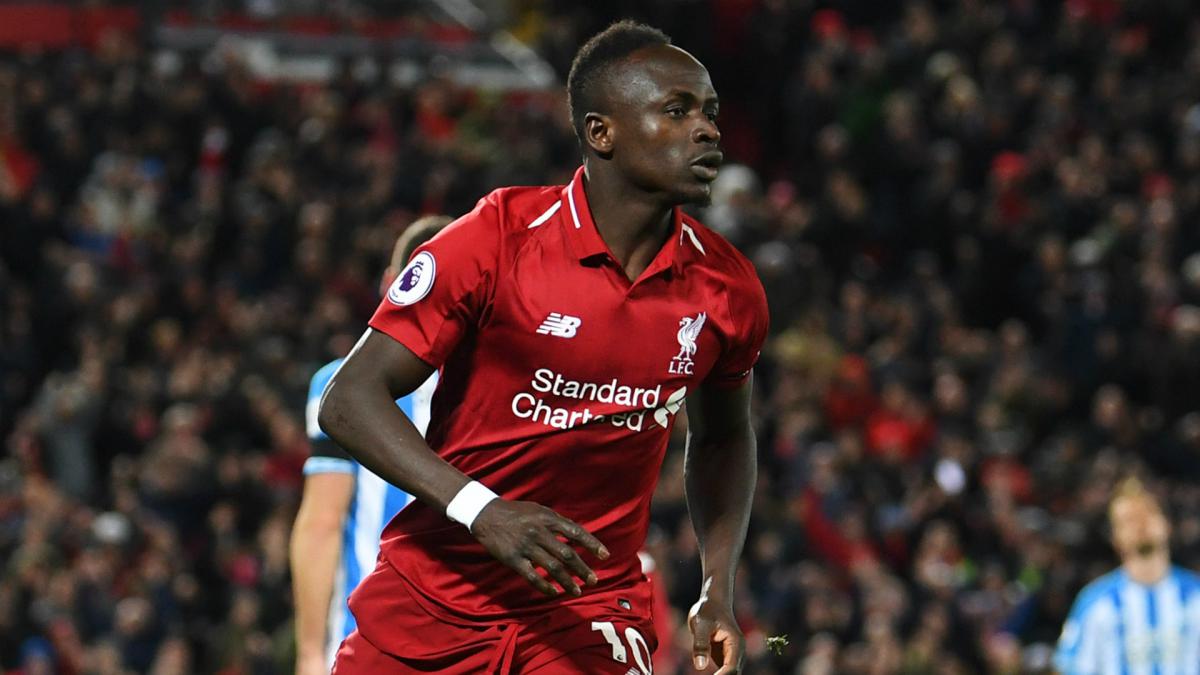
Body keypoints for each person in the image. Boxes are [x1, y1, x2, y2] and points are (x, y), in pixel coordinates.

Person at [318, 20, 768, 674]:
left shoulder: (728, 289)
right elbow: (348, 399)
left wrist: (715, 587)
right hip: (434, 597)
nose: (707, 130)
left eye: (710, 113)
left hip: (589, 610)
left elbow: (725, 436)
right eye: (677, 111)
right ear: (601, 132)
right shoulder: (498, 237)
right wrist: (484, 511)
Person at [290, 215, 452, 675]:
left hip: (366, 639)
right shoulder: (508, 390)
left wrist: (309, 653)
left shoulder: (341, 384)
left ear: (391, 286)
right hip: (473, 638)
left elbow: (322, 523)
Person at [1054, 477, 1200, 674]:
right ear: (1115, 537)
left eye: (1147, 513)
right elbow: (1072, 668)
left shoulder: (1196, 597)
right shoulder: (1096, 603)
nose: (1140, 525)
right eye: (1129, 519)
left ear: (1167, 524)